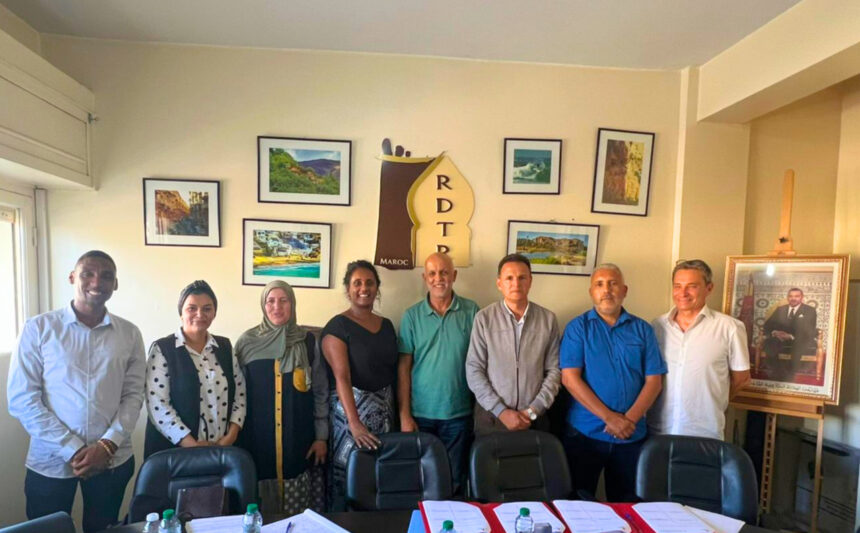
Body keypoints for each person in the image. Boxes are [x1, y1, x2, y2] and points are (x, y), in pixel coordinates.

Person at [7, 250, 145, 533]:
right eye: (87, 274)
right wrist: (73, 449)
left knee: (103, 529)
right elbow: (23, 399)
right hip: (51, 460)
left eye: (106, 276)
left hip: (112, 459)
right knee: (47, 530)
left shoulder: (130, 334)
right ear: (72, 277)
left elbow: (133, 395)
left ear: (116, 284)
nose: (97, 282)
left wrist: (106, 446)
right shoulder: (38, 328)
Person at [559, 264, 666, 501]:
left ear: (624, 290)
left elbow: (654, 381)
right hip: (585, 434)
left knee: (628, 507)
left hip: (632, 436)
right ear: (591, 292)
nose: (606, 290)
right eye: (599, 284)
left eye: (613, 283)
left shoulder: (643, 330)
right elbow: (569, 378)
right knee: (579, 504)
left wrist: (628, 421)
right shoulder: (578, 328)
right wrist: (610, 418)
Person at [235, 281, 328, 515]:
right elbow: (236, 395)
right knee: (262, 515)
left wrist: (321, 437)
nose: (277, 306)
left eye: (283, 300)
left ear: (292, 304)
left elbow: (320, 391)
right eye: (271, 301)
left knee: (298, 516)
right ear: (263, 305)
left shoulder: (308, 342)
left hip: (299, 442)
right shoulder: (246, 343)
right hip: (257, 443)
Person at [398, 252, 479, 493]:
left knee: (454, 481)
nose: (438, 278)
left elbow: (481, 362)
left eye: (444, 272)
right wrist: (404, 414)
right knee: (422, 481)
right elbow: (404, 368)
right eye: (432, 273)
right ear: (425, 278)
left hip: (459, 413)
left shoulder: (472, 311)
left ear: (454, 275)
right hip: (420, 415)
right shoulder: (411, 316)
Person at [321, 260, 399, 511]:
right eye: (357, 283)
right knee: (349, 477)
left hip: (385, 416)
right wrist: (354, 424)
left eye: (369, 283)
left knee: (380, 479)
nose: (364, 288)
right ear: (348, 289)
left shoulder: (387, 325)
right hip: (350, 418)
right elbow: (341, 377)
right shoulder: (337, 327)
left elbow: (393, 372)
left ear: (377, 288)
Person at [649, 259, 751, 440]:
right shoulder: (657, 326)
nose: (683, 293)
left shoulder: (730, 328)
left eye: (692, 286)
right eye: (678, 286)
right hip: (659, 431)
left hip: (705, 433)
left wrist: (714, 401)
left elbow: (741, 379)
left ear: (709, 288)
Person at [144, 280, 246, 457]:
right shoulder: (163, 349)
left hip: (222, 450)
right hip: (175, 454)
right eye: (192, 308)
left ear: (214, 313)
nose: (200, 314)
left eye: (207, 308)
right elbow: (158, 405)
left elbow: (240, 394)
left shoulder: (225, 347)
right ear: (181, 312)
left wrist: (230, 436)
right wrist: (193, 446)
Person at [466, 253, 561, 434]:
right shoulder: (484, 318)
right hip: (491, 417)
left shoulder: (547, 319)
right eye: (509, 278)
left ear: (530, 281)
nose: (516, 283)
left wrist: (533, 411)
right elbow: (474, 369)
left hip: (534, 418)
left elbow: (554, 370)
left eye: (522, 277)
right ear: (499, 283)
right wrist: (501, 411)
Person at [762, 288, 818, 380]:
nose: (793, 298)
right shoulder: (780, 309)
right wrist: (775, 332)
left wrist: (791, 336)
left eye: (796, 296)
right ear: (788, 297)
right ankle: (776, 371)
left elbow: (809, 330)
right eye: (790, 296)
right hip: (780, 339)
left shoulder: (810, 310)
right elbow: (767, 325)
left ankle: (790, 373)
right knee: (769, 342)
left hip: (798, 339)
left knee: (799, 344)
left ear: (802, 297)